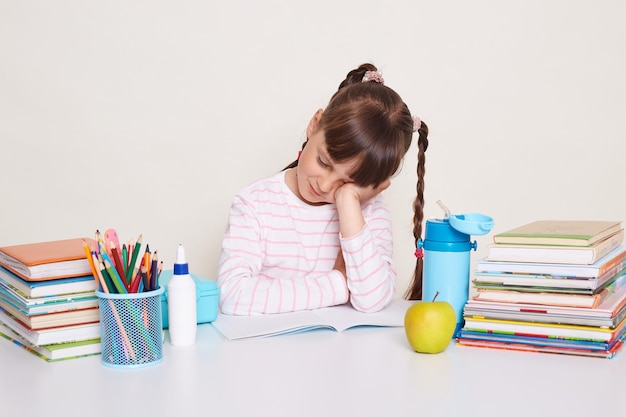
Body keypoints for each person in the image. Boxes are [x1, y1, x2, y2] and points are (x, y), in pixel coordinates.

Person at [217, 63, 429, 315]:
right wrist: (338, 284)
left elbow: (373, 300)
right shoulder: (255, 203)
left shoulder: (368, 212)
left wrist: (349, 202)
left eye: (347, 182)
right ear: (315, 124)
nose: (325, 185)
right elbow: (232, 295)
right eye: (323, 162)